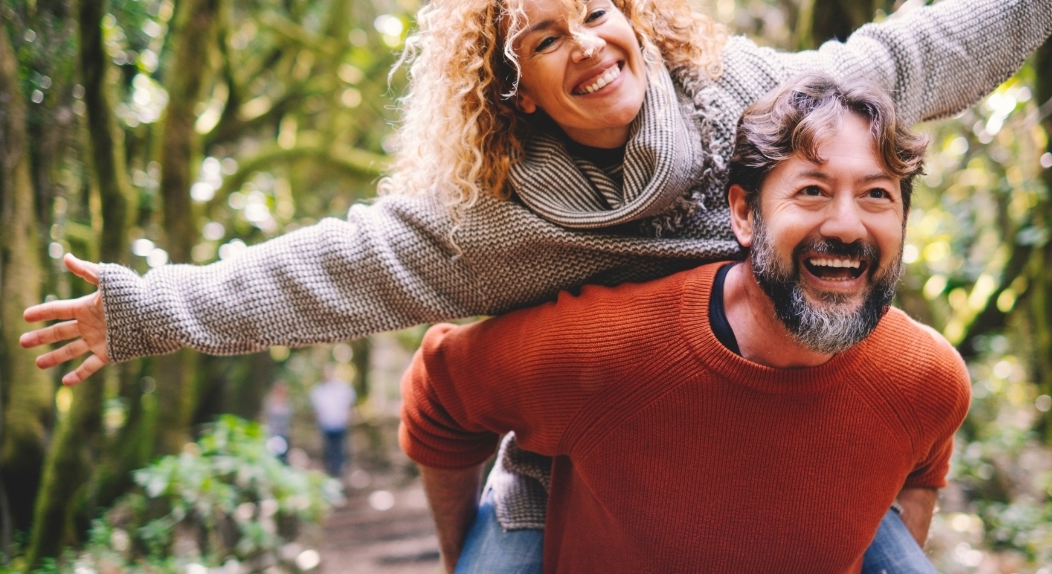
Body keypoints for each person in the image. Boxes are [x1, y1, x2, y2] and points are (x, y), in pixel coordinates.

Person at [19, 0, 1052, 568]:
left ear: (633, 16)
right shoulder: (488, 219)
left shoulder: (739, 97)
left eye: (595, 12)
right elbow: (328, 268)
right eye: (544, 39)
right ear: (512, 88)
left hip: (779, 406)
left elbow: (900, 60)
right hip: (573, 444)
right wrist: (145, 309)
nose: (587, 44)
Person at [400, 74, 969, 573]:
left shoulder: (927, 379)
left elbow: (925, 461)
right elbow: (440, 394)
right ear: (745, 215)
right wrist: (464, 558)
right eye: (812, 191)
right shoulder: (609, 351)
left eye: (876, 195)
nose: (846, 225)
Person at [310, 366, 357, 477]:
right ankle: (329, 471)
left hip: (340, 424)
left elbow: (350, 404)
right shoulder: (319, 391)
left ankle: (339, 472)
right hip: (326, 425)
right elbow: (315, 409)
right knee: (328, 449)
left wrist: (348, 416)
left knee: (339, 448)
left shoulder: (343, 388)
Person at [263, 379, 293, 462]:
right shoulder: (270, 401)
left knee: (283, 457)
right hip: (272, 432)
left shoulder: (287, 402)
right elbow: (266, 416)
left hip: (284, 433)